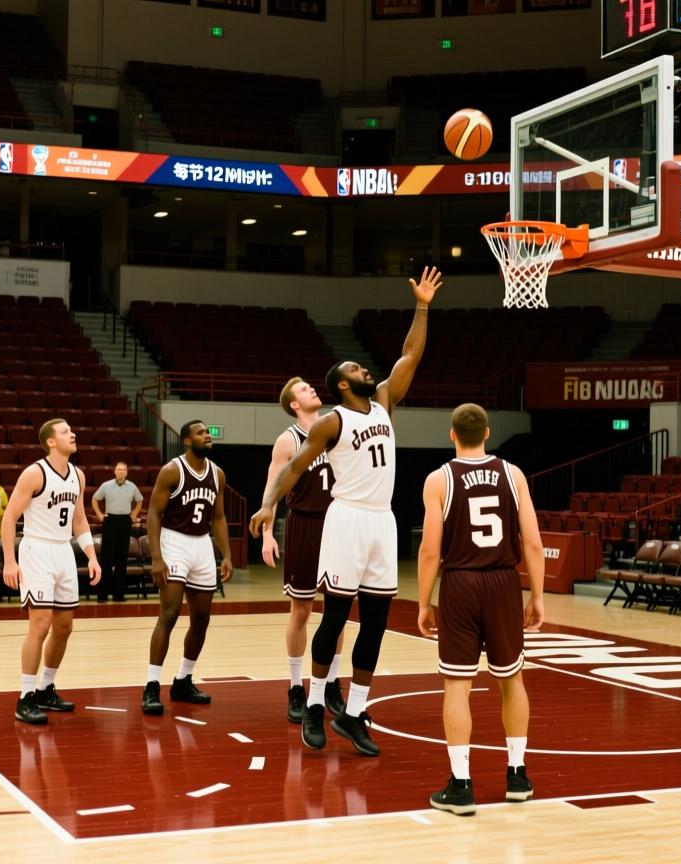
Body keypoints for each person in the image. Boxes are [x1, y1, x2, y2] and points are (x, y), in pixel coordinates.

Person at [250, 265, 443, 757]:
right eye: (355, 369)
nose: (365, 370)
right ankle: (315, 703)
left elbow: (410, 355)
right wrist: (269, 506)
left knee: (375, 623)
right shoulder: (331, 423)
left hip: (383, 519)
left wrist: (421, 306)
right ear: (340, 385)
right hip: (347, 518)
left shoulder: (383, 402)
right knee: (333, 618)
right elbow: (293, 468)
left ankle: (354, 713)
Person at [416, 403, 546, 815]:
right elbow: (533, 544)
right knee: (512, 680)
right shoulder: (514, 475)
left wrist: (423, 602)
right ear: (487, 432)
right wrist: (537, 595)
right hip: (504, 581)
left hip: (461, 583)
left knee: (458, 686)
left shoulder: (439, 480)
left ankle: (461, 784)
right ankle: (517, 775)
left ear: (452, 434)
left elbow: (429, 550)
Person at [2, 419, 101, 725]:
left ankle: (46, 687)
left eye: (72, 430)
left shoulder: (78, 476)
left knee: (64, 627)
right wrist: (9, 560)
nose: (72, 434)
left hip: (63, 552)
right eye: (65, 432)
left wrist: (92, 557)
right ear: (51, 442)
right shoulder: (34, 473)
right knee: (40, 624)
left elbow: (80, 520)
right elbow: (9, 517)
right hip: (37, 550)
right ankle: (25, 696)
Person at [260, 377, 345, 723]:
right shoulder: (288, 440)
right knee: (301, 610)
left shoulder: (338, 431)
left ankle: (331, 685)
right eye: (304, 389)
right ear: (294, 404)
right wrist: (267, 534)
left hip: (338, 523)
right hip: (305, 524)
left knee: (338, 612)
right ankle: (297, 686)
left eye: (311, 386)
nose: (312, 390)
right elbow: (273, 488)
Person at [141, 420, 233, 716]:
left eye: (208, 432)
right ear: (186, 441)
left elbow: (218, 518)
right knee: (168, 613)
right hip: (174, 540)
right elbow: (153, 513)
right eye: (200, 433)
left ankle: (183, 680)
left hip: (202, 544)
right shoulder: (172, 470)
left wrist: (226, 555)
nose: (207, 436)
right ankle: (152, 685)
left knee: (202, 618)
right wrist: (156, 557)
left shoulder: (217, 473)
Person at [91, 461, 143, 603]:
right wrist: (100, 515)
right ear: (115, 472)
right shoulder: (106, 485)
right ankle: (102, 596)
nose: (121, 472)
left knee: (122, 560)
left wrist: (134, 514)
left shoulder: (132, 487)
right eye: (119, 469)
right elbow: (95, 499)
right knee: (106, 560)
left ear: (126, 472)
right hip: (110, 522)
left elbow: (140, 501)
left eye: (123, 470)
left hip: (125, 522)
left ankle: (118, 595)